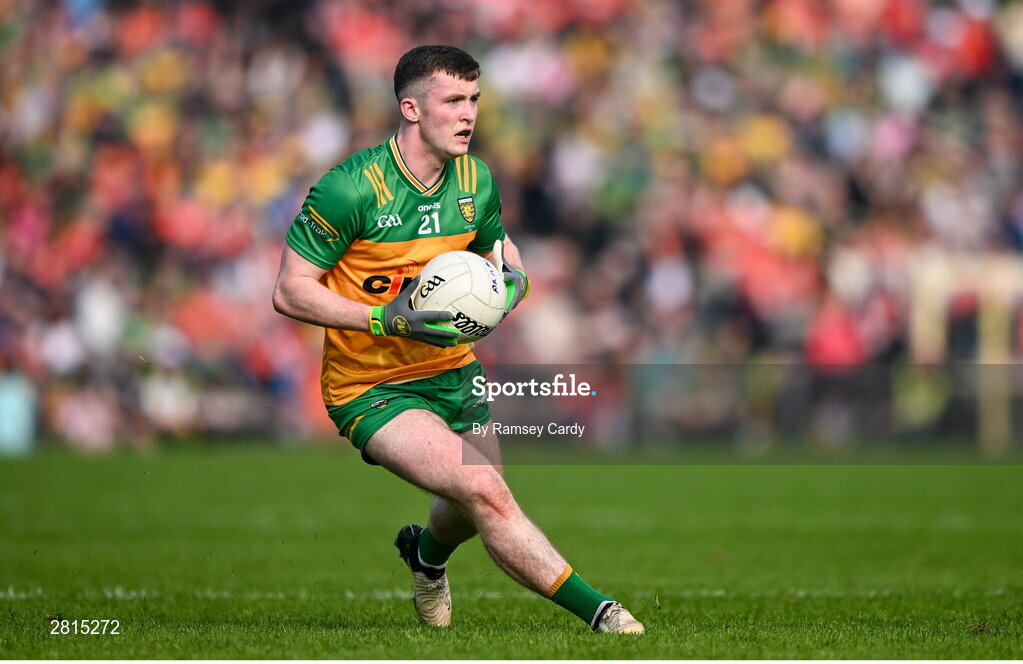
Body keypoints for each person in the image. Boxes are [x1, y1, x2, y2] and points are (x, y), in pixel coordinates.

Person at [272, 45, 644, 634]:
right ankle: (603, 615)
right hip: (371, 385)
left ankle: (427, 557)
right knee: (484, 489)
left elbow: (499, 251)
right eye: (453, 101)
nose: (469, 114)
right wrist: (383, 319)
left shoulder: (476, 179)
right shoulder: (350, 189)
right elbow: (290, 291)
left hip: (453, 372)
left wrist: (514, 280)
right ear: (412, 108)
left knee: (472, 507)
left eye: (474, 100)